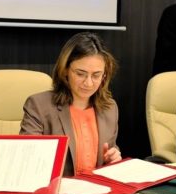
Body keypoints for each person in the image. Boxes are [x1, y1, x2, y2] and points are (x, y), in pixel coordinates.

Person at [20, 32, 122, 176]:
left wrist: (112, 159)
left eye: (96, 75)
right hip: (59, 186)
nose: (88, 83)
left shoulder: (109, 108)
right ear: (65, 70)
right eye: (80, 74)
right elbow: (27, 159)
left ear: (104, 75)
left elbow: (111, 149)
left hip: (98, 186)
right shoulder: (39, 106)